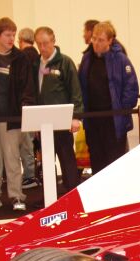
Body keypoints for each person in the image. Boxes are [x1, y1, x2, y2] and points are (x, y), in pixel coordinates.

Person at [0, 17, 36, 211]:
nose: (12, 38)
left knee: (12, 158)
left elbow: (27, 88)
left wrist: (25, 111)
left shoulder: (21, 58)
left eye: (13, 34)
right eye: (7, 35)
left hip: (12, 117)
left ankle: (17, 195)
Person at [78, 21, 138, 174]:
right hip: (93, 121)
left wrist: (120, 110)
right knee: (97, 162)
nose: (96, 43)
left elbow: (131, 88)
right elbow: (81, 86)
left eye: (101, 40)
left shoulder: (121, 60)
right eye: (94, 39)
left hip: (113, 121)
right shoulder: (87, 59)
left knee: (115, 163)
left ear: (110, 41)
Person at [34, 26, 83, 192]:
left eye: (46, 43)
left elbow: (75, 91)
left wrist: (76, 117)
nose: (42, 48)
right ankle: (50, 195)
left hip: (62, 121)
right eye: (39, 44)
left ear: (54, 41)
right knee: (46, 161)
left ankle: (72, 192)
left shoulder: (65, 62)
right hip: (42, 121)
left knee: (66, 157)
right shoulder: (35, 63)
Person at [18, 27, 39, 189]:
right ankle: (34, 174)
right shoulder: (38, 57)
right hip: (37, 104)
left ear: (20, 40)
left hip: (25, 105)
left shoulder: (21, 57)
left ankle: (30, 176)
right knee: (34, 142)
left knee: (26, 142)